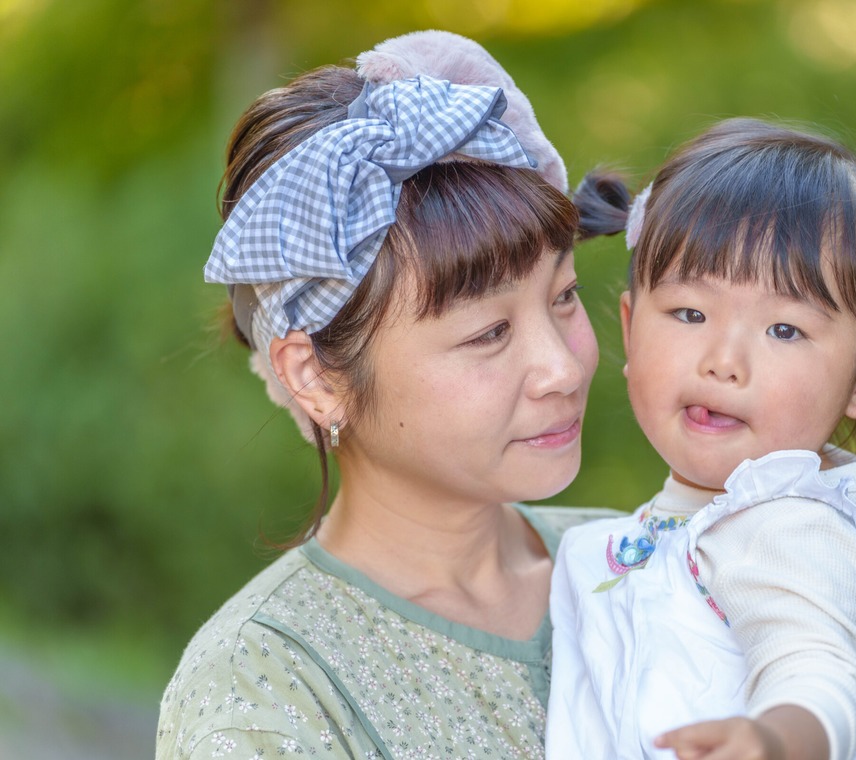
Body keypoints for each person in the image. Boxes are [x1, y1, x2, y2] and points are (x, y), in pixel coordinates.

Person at [155, 30, 611, 759]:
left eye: (564, 295)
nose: (562, 368)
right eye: (489, 333)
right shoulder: (263, 687)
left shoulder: (647, 559)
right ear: (316, 377)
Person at [546, 118, 856, 760]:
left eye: (784, 330)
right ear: (632, 327)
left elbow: (816, 666)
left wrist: (777, 739)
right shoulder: (694, 527)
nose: (723, 361)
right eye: (690, 313)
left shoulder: (789, 524)